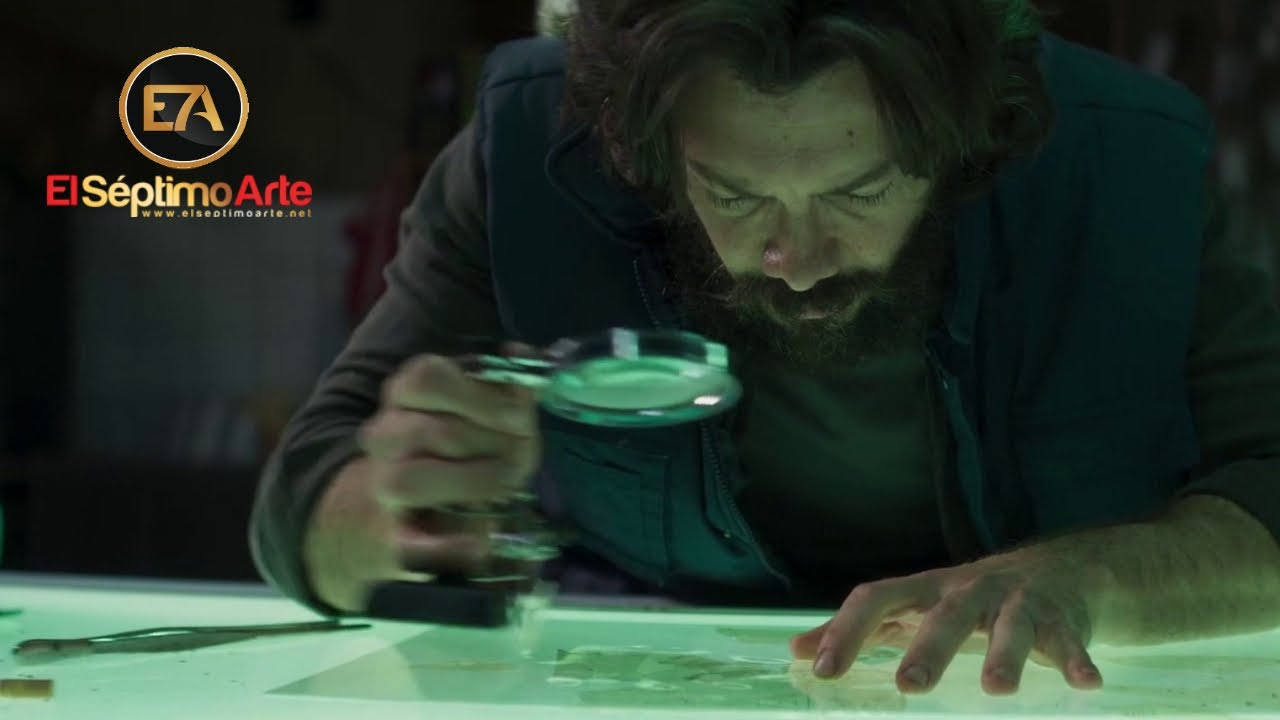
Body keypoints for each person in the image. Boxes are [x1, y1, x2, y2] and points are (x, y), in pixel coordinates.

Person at [249, 0, 1280, 696]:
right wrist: (402, 512)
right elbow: (301, 506)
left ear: (967, 139)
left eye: (859, 192)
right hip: (648, 688)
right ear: (645, 154)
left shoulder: (1129, 161)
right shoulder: (528, 148)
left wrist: (1090, 580)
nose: (793, 261)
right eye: (734, 196)